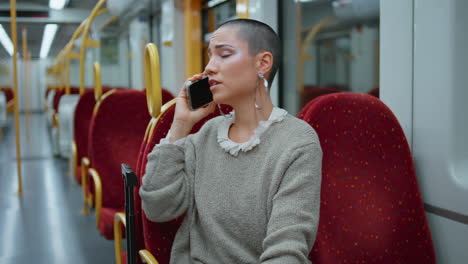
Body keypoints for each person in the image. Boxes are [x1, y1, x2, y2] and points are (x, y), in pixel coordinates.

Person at [140, 18, 322, 264]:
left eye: (223, 55)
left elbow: (287, 249)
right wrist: (180, 125)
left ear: (263, 63)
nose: (209, 68)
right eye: (210, 56)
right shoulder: (205, 134)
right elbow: (157, 208)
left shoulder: (297, 142)